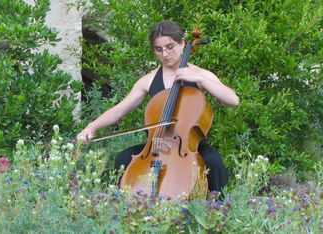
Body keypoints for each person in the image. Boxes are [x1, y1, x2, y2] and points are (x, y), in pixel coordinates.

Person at [77, 20, 239, 196]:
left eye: (170, 47)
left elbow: (233, 100)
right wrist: (91, 126)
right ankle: (126, 208)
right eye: (159, 49)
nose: (165, 54)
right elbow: (119, 110)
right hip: (155, 145)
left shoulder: (200, 75)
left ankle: (217, 209)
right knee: (123, 159)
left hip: (190, 146)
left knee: (213, 162)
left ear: (182, 43)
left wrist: (200, 79)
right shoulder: (149, 80)